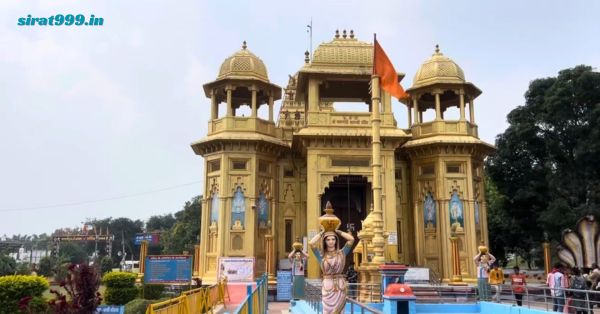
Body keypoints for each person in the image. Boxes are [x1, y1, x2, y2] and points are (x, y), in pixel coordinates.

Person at [309, 228, 355, 314]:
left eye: (333, 239)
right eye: (328, 239)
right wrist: (323, 232)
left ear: (336, 241)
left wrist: (337, 230)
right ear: (324, 241)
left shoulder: (342, 253)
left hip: (340, 285)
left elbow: (351, 239)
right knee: (327, 310)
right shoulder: (321, 255)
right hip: (327, 285)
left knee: (340, 310)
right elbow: (311, 243)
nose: (331, 241)